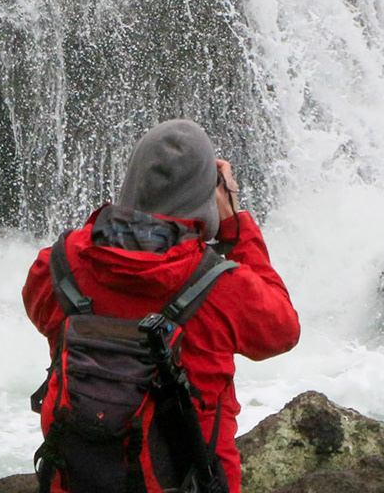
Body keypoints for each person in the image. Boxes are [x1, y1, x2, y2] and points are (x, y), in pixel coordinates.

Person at [23, 119, 299, 493]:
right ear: (207, 197)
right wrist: (233, 222)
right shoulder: (221, 284)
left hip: (77, 482)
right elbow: (282, 331)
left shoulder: (59, 263)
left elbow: (40, 310)